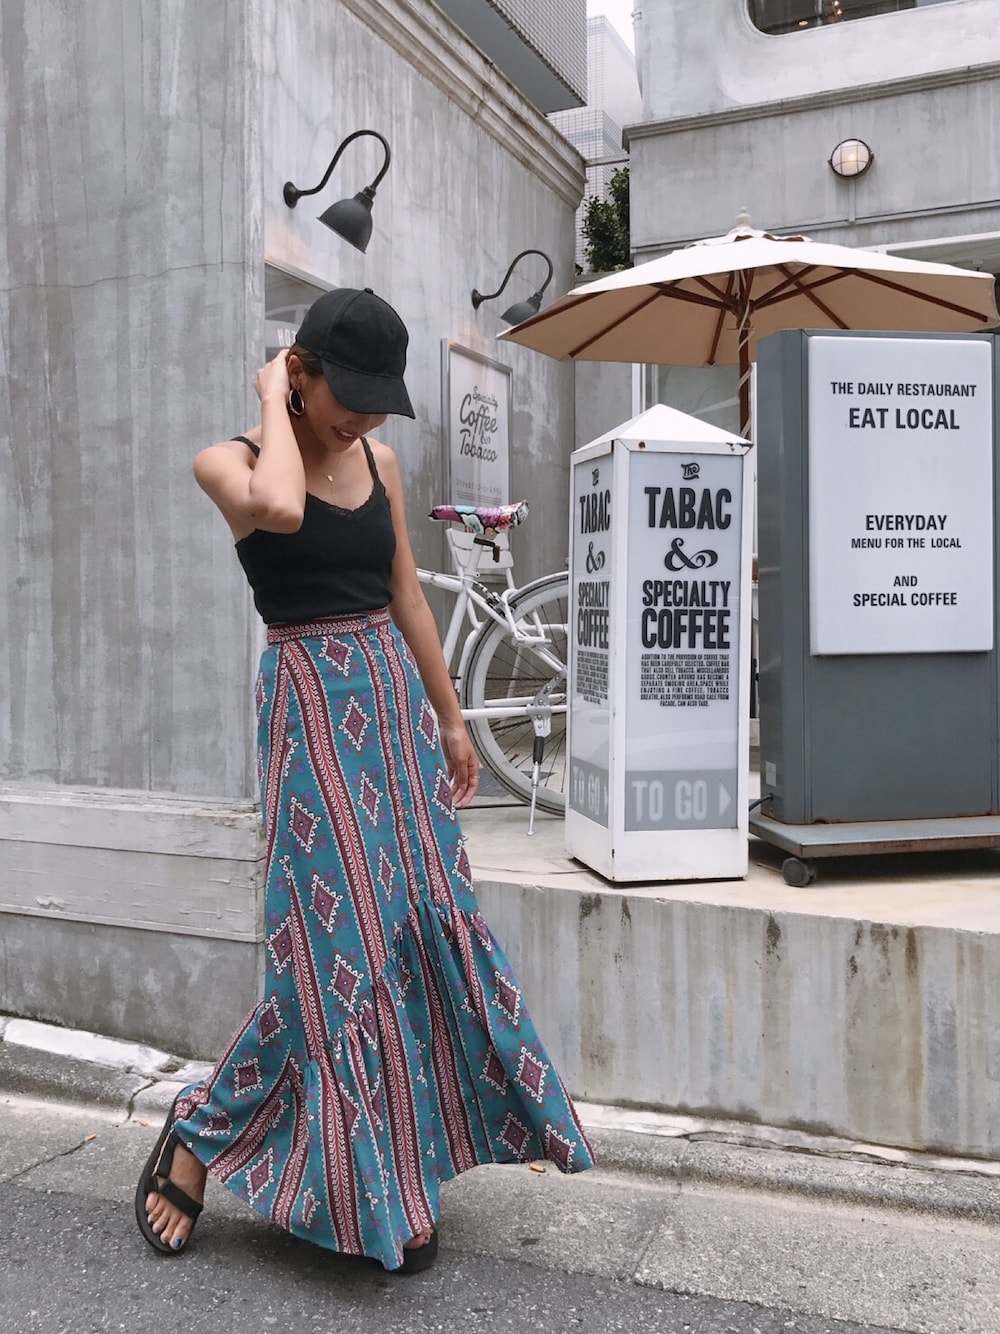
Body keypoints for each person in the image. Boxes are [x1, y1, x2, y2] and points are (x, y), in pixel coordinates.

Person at [134, 287, 595, 1275]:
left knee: (407, 935)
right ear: (298, 371)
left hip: (389, 704)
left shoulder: (379, 463)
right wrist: (274, 399)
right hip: (308, 706)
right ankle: (207, 1133)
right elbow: (279, 508)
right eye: (351, 398)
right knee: (331, 951)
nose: (368, 420)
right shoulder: (228, 461)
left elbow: (405, 597)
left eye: (382, 402)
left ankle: (390, 1172)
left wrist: (451, 716)